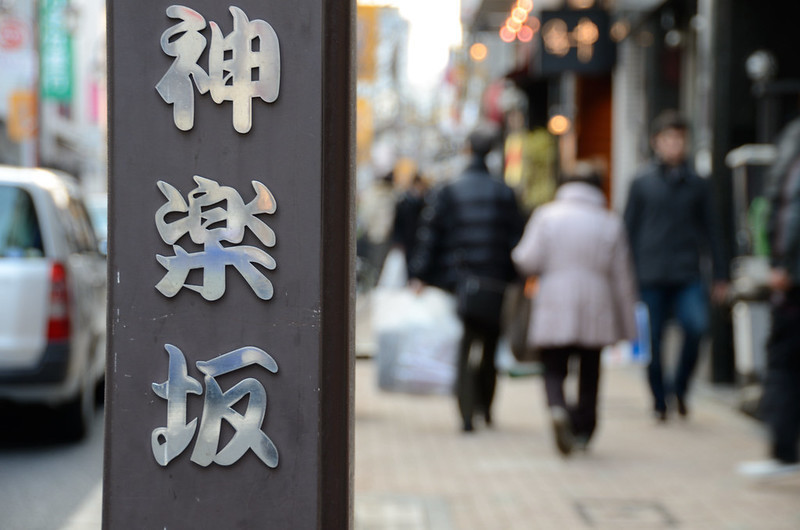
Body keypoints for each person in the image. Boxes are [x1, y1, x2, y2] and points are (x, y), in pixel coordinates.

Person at [512, 165, 638, 455]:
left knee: (553, 366)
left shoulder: (546, 216)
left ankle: (557, 409)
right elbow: (623, 278)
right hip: (598, 302)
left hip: (555, 298)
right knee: (590, 370)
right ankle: (583, 429)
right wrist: (628, 325)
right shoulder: (609, 222)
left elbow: (526, 260)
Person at [409, 124, 523, 433]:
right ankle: (486, 407)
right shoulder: (505, 192)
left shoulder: (449, 190)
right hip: (496, 282)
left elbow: (430, 234)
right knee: (489, 345)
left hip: (461, 281)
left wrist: (419, 274)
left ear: (467, 150)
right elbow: (516, 239)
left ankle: (466, 414)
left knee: (465, 344)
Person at [623, 110, 729, 422]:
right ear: (656, 142)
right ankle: (659, 399)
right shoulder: (641, 183)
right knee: (651, 340)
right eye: (668, 139)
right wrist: (625, 276)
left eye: (679, 139)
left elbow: (714, 230)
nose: (673, 145)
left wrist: (720, 274)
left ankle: (680, 388)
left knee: (696, 327)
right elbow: (627, 231)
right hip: (650, 273)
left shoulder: (698, 184)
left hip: (687, 273)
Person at [738, 116, 800, 479]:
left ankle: (782, 450)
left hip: (794, 284)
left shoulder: (794, 142)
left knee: (784, 363)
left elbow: (791, 211)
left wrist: (783, 267)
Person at [391, 172, 428, 272]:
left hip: (417, 238)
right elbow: (397, 223)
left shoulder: (423, 201)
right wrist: (397, 240)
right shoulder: (404, 202)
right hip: (407, 239)